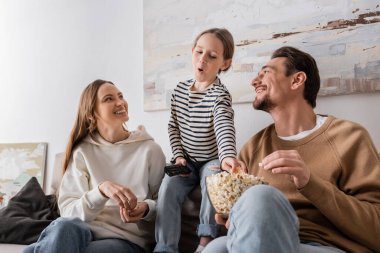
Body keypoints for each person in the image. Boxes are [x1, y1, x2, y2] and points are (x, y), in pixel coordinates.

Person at [203, 46, 380, 253]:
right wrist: (236, 217)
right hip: (263, 242)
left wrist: (310, 182)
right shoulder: (253, 148)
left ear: (297, 80)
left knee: (261, 197)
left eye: (266, 72)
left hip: (325, 245)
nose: (254, 81)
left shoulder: (349, 137)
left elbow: (376, 230)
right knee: (216, 248)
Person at [23, 79, 166, 253]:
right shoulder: (82, 152)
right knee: (63, 227)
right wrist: (100, 191)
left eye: (120, 96)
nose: (120, 102)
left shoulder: (149, 150)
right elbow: (68, 213)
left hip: (124, 241)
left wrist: (146, 208)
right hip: (81, 234)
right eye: (108, 99)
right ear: (91, 114)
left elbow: (164, 203)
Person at [154, 28, 246, 253]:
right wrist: (178, 156)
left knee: (213, 179)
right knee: (167, 185)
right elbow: (173, 127)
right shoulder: (179, 91)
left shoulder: (219, 96)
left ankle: (205, 242)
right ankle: (165, 247)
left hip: (211, 159)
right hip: (186, 160)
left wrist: (227, 157)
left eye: (212, 56)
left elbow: (224, 128)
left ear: (224, 63)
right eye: (199, 52)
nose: (202, 59)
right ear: (192, 53)